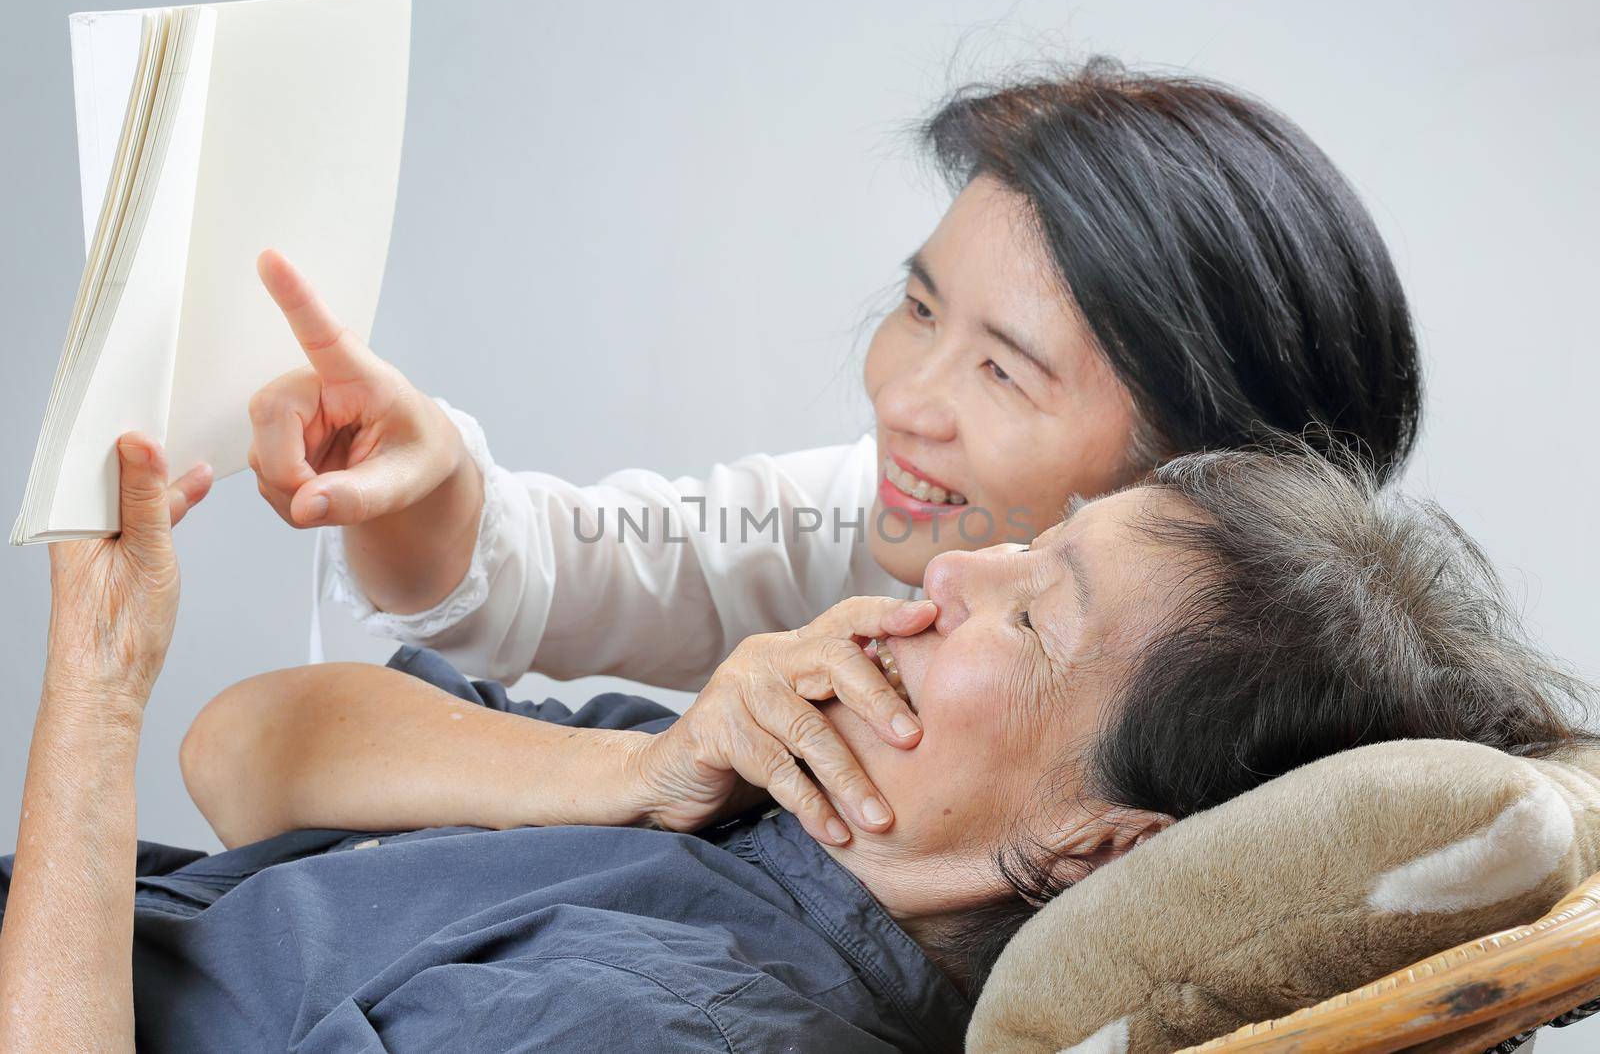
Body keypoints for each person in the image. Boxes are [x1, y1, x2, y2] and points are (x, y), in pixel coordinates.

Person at [5, 428, 1585, 1052]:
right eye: (1040, 541)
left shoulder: (688, 1030)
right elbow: (244, 750)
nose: (955, 566)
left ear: (1110, 841)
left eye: (1035, 614)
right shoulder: (774, 787)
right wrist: (630, 766)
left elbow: (163, 736)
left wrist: (90, 687)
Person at [245, 58, 1424, 729]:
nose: (904, 395)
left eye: (1002, 370)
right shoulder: (898, 512)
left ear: (1210, 476)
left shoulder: (1210, 769)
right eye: (918, 310)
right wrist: (425, 479)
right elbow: (561, 570)